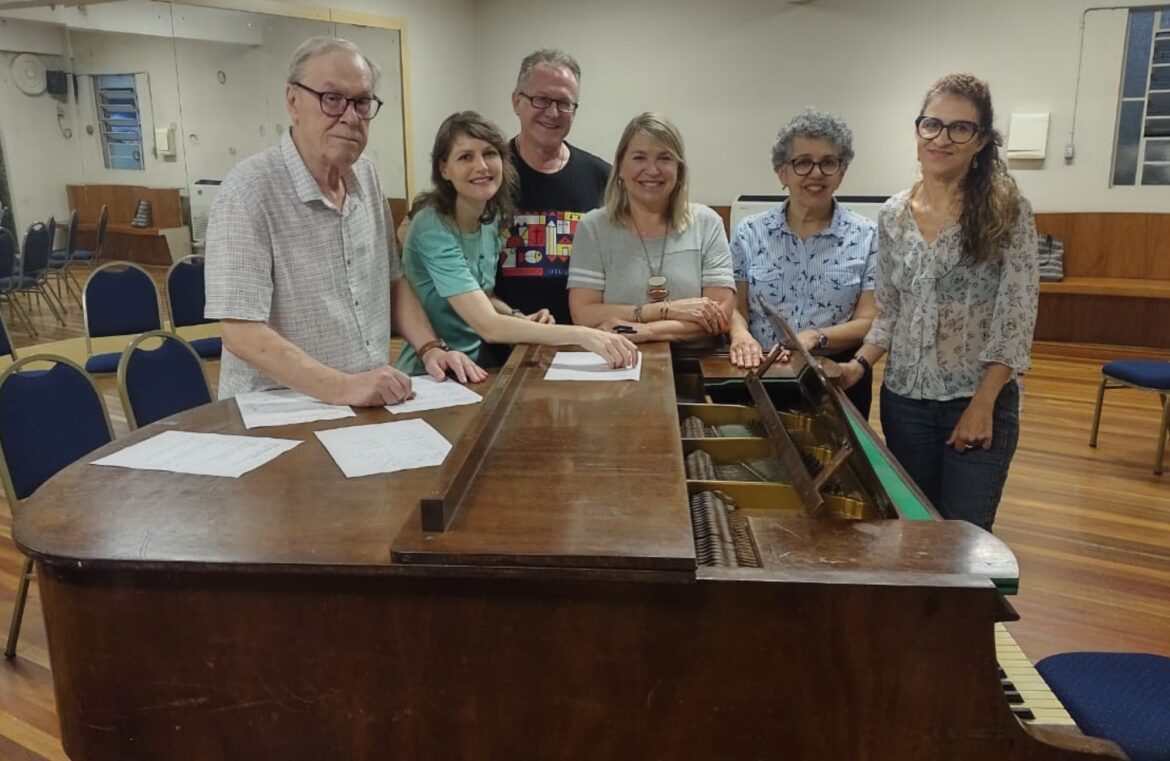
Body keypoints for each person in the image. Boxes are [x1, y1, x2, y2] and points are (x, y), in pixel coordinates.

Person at [204, 37, 485, 406]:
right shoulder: (248, 190)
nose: (351, 117)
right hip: (279, 407)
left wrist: (431, 348)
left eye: (362, 102)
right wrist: (341, 387)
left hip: (366, 398)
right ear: (293, 101)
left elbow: (392, 281)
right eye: (332, 99)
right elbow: (240, 331)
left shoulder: (366, 176)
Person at [839, 74, 1039, 531]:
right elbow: (891, 311)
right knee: (917, 534)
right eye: (932, 124)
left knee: (965, 540)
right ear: (917, 131)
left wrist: (983, 404)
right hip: (905, 403)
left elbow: (1016, 318)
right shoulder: (892, 214)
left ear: (980, 140)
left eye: (959, 128)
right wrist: (859, 364)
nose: (941, 138)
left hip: (976, 399)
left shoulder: (1008, 210)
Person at [396, 111, 637, 375]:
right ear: (444, 169)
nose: (481, 166)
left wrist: (518, 317)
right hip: (431, 374)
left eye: (489, 153)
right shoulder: (432, 227)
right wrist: (582, 335)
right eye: (465, 157)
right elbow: (488, 325)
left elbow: (483, 296)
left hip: (476, 369)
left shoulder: (489, 219)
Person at [727, 109, 878, 418]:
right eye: (803, 162)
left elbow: (869, 320)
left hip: (834, 380)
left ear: (842, 171)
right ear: (782, 172)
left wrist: (816, 336)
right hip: (761, 375)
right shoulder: (749, 232)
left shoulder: (868, 235)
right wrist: (740, 335)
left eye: (828, 162)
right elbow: (735, 308)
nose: (816, 173)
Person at [568, 113, 735, 343]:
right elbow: (584, 313)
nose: (652, 170)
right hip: (616, 358)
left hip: (695, 360)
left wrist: (644, 331)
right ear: (620, 168)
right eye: (639, 158)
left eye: (664, 158)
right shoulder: (593, 228)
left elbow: (720, 314)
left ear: (679, 170)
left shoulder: (707, 223)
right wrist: (667, 310)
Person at [494, 49, 612, 326]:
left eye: (564, 103)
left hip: (583, 339)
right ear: (516, 101)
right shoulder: (487, 174)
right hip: (502, 340)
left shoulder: (603, 177)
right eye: (542, 100)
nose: (553, 113)